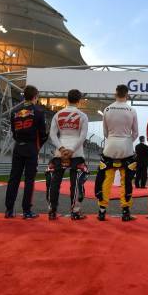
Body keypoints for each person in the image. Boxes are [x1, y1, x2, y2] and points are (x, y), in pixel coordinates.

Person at [95, 84, 138, 221]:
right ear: (127, 95)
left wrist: (114, 138)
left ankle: (102, 210)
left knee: (106, 180)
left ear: (115, 94)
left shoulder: (107, 109)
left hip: (110, 146)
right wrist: (127, 141)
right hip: (126, 147)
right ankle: (125, 212)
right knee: (126, 181)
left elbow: (105, 133)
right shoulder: (131, 110)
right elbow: (135, 133)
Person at [5, 85, 48, 219]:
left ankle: (9, 210)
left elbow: (13, 132)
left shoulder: (14, 111)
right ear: (35, 97)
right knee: (29, 180)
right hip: (31, 148)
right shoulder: (38, 111)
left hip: (18, 147)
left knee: (14, 179)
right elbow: (43, 134)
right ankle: (26, 211)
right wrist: (37, 147)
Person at [45, 89, 89, 221]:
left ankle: (52, 211)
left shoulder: (58, 114)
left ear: (67, 99)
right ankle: (75, 212)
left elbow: (52, 134)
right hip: (77, 152)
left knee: (54, 182)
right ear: (79, 100)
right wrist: (72, 150)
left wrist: (62, 148)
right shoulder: (82, 116)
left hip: (60, 152)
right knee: (76, 183)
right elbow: (83, 136)